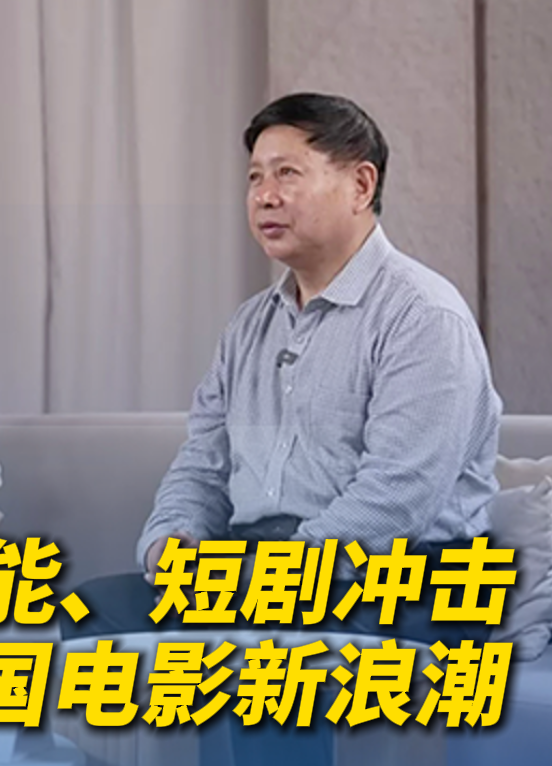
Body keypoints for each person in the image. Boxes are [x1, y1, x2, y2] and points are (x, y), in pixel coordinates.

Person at [63, 93, 502, 763]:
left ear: (361, 185)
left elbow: (395, 500)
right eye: (254, 178)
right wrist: (172, 545)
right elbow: (201, 467)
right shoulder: (249, 327)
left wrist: (259, 580)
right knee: (93, 613)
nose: (264, 196)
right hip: (258, 574)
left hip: (403, 585)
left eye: (287, 174)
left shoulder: (422, 316)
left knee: (271, 653)